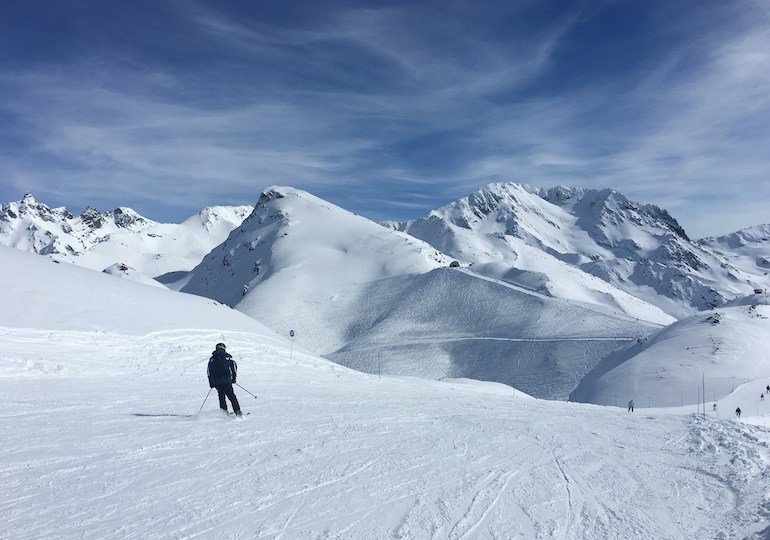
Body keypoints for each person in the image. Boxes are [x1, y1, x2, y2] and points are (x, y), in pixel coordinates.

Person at [207, 343, 241, 416]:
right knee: (232, 396)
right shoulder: (228, 357)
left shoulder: (212, 359)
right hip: (227, 380)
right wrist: (234, 378)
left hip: (217, 382)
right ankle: (237, 411)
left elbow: (209, 371)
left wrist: (211, 382)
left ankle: (224, 413)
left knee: (221, 396)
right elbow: (234, 367)